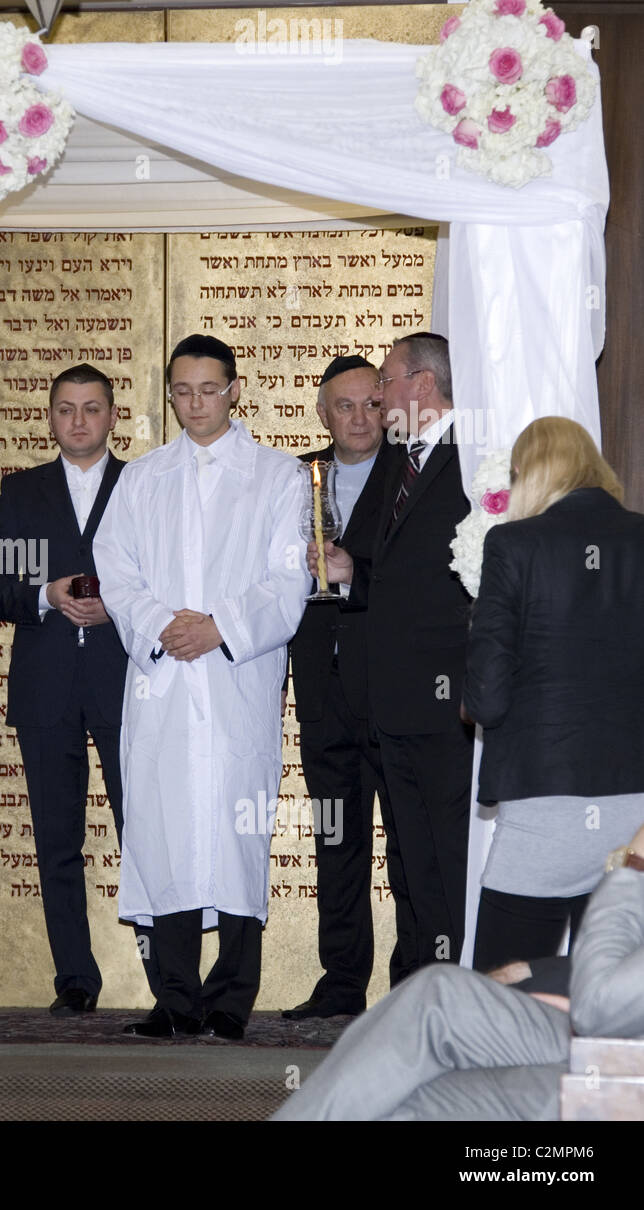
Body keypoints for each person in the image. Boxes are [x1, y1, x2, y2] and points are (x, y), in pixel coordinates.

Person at [93, 335, 309, 1039]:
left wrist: (220, 627)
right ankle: (175, 998)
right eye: (182, 391)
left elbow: (288, 579)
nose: (196, 404)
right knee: (165, 829)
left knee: (236, 830)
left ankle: (231, 998)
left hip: (234, 674)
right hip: (164, 679)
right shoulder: (144, 476)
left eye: (209, 389)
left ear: (235, 389)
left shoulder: (277, 476)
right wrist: (161, 625)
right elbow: (115, 569)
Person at [0, 363, 156, 1015]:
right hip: (46, 687)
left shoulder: (144, 483)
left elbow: (169, 581)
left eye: (91, 408)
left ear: (113, 415)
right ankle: (75, 979)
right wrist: (44, 595)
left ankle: (169, 981)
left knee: (145, 833)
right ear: (50, 417)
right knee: (57, 840)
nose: (78, 420)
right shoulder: (23, 492)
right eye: (66, 409)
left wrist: (124, 605)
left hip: (128, 685)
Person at [271, 820, 644, 1121]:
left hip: (620, 1063)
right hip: (619, 1039)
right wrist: (540, 975)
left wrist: (634, 869)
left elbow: (598, 1007)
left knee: (436, 1010)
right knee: (405, 1081)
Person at [464, 417, 644, 971]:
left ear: (531, 474)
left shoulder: (514, 544)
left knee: (504, 995)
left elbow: (488, 695)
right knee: (614, 994)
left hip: (546, 801)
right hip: (634, 804)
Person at [319, 333, 473, 976]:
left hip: (445, 704)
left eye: (386, 380)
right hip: (393, 705)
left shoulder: (474, 461)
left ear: (423, 385)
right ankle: (416, 984)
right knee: (411, 858)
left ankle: (449, 986)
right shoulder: (403, 464)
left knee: (443, 857)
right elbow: (396, 575)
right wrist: (351, 573)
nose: (378, 394)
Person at [285, 355, 410, 1019]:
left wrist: (352, 567)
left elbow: (421, 576)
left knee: (409, 844)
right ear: (323, 413)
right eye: (345, 406)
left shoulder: (413, 472)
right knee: (337, 840)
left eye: (371, 403)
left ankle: (413, 990)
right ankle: (340, 988)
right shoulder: (297, 476)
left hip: (395, 690)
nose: (360, 418)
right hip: (323, 687)